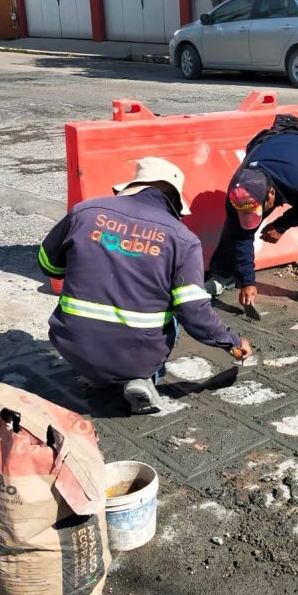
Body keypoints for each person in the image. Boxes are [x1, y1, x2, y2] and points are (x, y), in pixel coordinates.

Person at [38, 157, 251, 414]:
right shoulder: (182, 238)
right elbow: (194, 313)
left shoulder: (84, 212)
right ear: (173, 201)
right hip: (136, 358)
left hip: (71, 344)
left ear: (133, 186)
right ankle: (143, 379)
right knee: (176, 307)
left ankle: (99, 369)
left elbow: (48, 265)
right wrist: (232, 341)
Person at [205, 115, 298, 308]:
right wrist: (247, 281)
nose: (255, 215)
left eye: (259, 209)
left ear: (272, 193)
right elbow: (242, 235)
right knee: (236, 226)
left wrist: (281, 225)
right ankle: (222, 274)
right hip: (268, 144)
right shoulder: (238, 190)